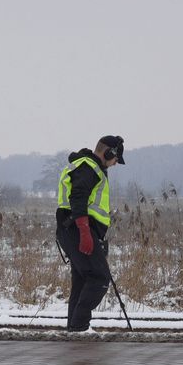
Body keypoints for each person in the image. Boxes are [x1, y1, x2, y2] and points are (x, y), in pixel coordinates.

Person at [56, 135, 125, 332]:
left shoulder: (87, 166)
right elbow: (78, 197)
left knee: (82, 281)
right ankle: (79, 326)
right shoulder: (88, 167)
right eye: (115, 159)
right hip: (77, 229)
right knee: (99, 278)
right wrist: (85, 231)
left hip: (74, 229)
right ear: (108, 153)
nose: (115, 164)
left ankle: (74, 330)